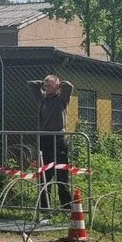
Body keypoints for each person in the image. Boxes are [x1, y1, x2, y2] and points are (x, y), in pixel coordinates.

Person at [26, 74, 74, 212]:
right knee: (44, 174)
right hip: (44, 139)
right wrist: (43, 83)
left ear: (57, 86)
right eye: (45, 86)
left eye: (50, 86)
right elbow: (30, 84)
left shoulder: (61, 98)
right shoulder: (42, 98)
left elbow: (69, 86)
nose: (47, 88)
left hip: (58, 139)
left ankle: (66, 207)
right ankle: (44, 207)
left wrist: (59, 84)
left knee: (61, 174)